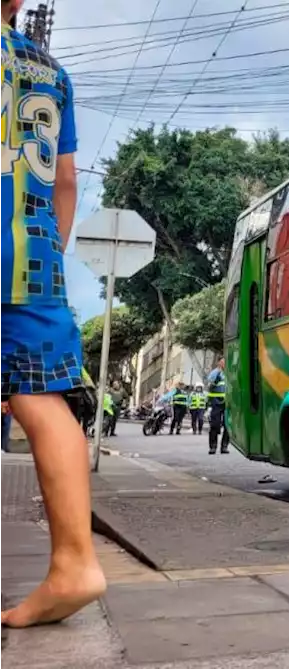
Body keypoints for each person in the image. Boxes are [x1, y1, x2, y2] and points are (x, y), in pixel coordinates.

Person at [0, 0, 106, 628]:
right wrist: (46, 249)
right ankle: (74, 561)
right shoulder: (51, 71)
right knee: (45, 399)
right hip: (32, 256)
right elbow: (65, 182)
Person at [206, 358, 230, 455]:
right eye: (222, 361)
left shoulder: (229, 372)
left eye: (225, 361)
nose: (224, 363)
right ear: (219, 363)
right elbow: (210, 385)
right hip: (216, 402)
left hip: (227, 403)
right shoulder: (214, 373)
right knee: (214, 425)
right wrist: (217, 375)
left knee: (227, 425)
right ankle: (213, 447)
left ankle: (224, 446)